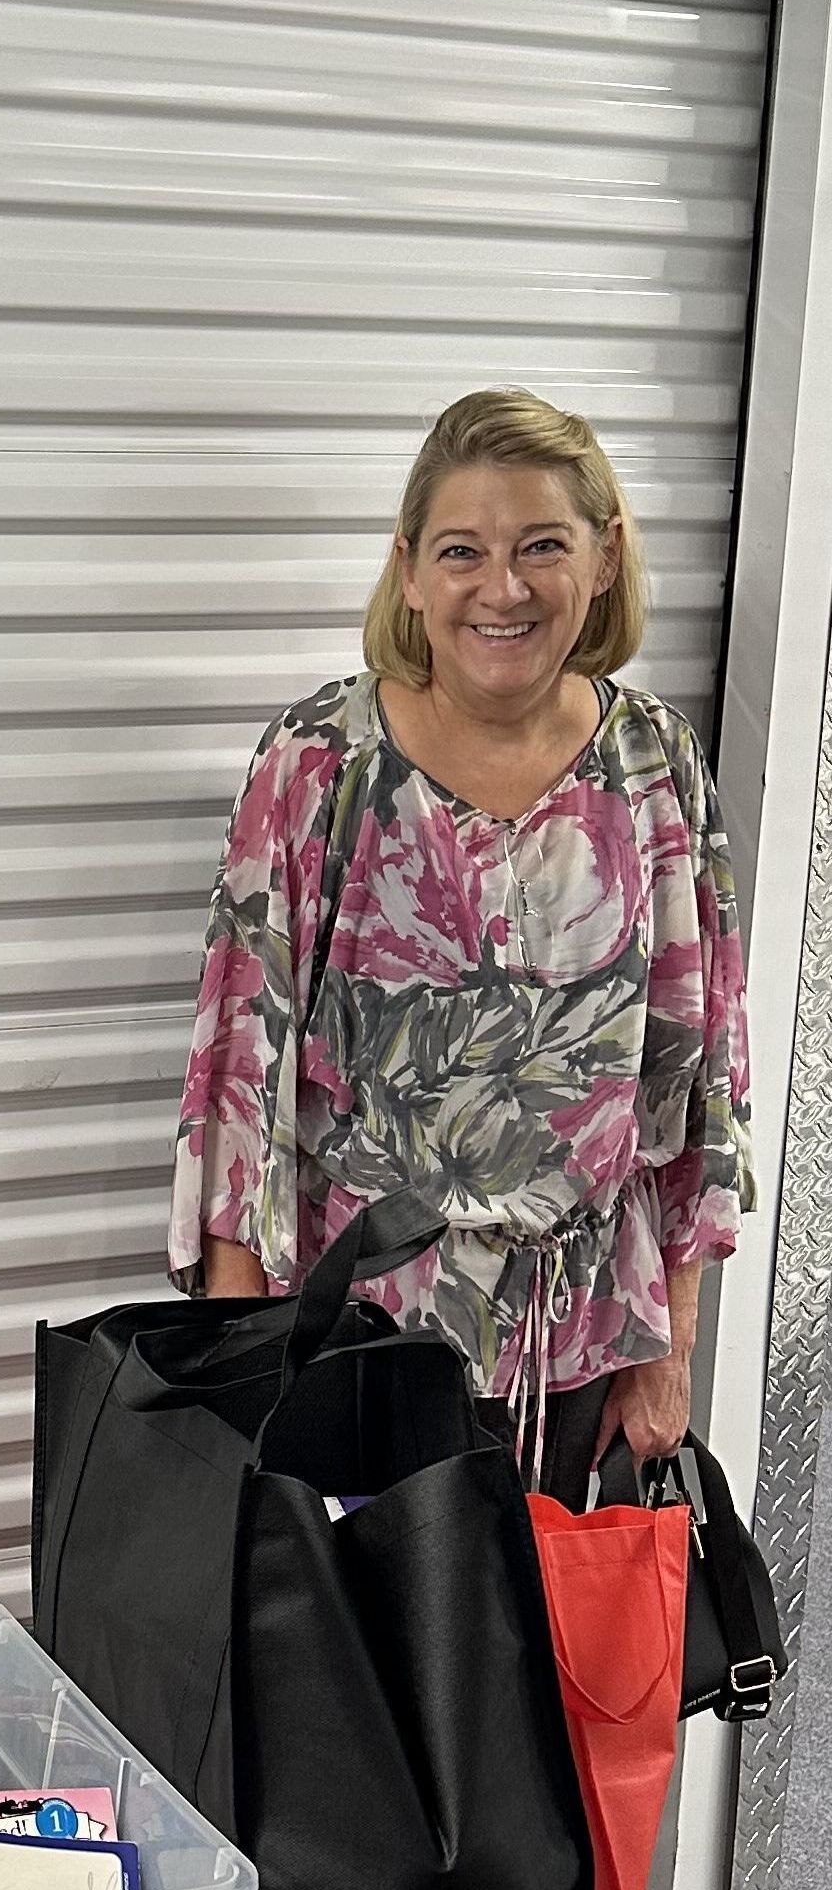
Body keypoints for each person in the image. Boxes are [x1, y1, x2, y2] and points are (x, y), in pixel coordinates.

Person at [170, 385, 753, 1503]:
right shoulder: (317, 763)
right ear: (407, 568)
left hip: (578, 1348)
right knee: (343, 1671)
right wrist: (239, 1370)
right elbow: (238, 1081)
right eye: (461, 551)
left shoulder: (654, 767)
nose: (503, 588)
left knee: (538, 1663)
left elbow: (697, 1075)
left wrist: (667, 1352)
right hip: (352, 1340)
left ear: (601, 558)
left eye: (541, 545)